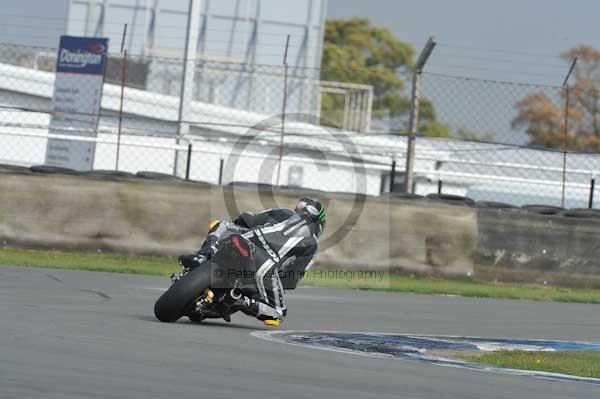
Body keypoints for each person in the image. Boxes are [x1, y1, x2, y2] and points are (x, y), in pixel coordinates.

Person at [177, 197, 326, 325]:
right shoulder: (312, 246)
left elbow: (246, 218)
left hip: (245, 240)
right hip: (264, 268)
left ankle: (203, 255)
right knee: (278, 313)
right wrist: (266, 290)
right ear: (320, 224)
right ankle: (241, 301)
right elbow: (291, 279)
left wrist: (239, 227)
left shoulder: (283, 212)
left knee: (221, 224)